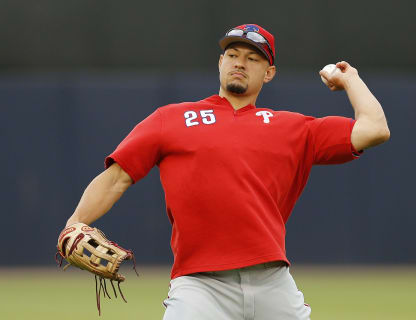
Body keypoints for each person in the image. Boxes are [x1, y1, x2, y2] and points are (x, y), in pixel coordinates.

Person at [63, 23, 390, 319]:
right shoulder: (171, 119)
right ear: (220, 63)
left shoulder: (291, 128)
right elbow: (116, 178)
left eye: (252, 58)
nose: (239, 62)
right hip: (199, 289)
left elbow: (375, 129)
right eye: (232, 54)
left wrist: (351, 79)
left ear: (269, 73)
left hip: (273, 284)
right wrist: (73, 225)